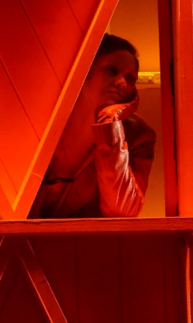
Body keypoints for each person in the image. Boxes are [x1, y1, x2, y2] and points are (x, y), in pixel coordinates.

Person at [29, 34, 156, 219]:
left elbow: (122, 211)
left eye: (130, 78)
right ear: (85, 71)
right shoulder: (41, 122)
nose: (122, 83)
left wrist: (109, 124)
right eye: (111, 70)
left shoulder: (139, 135)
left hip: (96, 237)